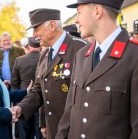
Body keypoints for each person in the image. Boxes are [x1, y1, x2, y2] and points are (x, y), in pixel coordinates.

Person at [56, 0, 138, 139]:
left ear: (97, 11)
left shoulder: (136, 56)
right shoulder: (81, 55)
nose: (76, 20)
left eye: (79, 12)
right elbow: (69, 112)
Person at [12, 8, 86, 139]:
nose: (34, 35)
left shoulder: (80, 49)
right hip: (53, 128)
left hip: (75, 129)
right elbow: (39, 90)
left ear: (52, 25)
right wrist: (21, 108)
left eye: (36, 29)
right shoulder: (45, 55)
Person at [11, 37, 42, 139]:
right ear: (40, 47)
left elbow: (14, 83)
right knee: (40, 130)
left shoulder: (20, 60)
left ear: (28, 47)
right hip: (41, 100)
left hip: (23, 99)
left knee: (24, 132)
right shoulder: (45, 58)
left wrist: (17, 102)